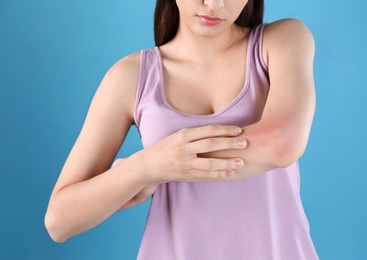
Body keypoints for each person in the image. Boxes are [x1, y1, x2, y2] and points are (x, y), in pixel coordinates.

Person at [45, 0, 318, 259]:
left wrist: (161, 164)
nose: (214, 4)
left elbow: (281, 143)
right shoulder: (129, 76)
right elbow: (59, 221)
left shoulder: (283, 39)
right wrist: (143, 168)